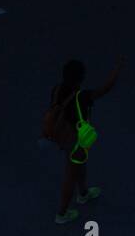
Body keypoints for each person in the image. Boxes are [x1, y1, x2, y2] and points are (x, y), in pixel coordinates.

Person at [45, 55, 124, 224]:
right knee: (70, 174)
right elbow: (105, 89)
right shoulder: (82, 96)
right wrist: (117, 70)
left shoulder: (57, 89)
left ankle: (83, 193)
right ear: (81, 78)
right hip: (75, 139)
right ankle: (62, 214)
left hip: (61, 135)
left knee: (80, 164)